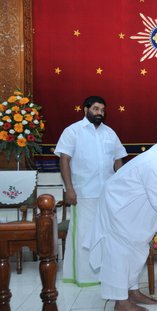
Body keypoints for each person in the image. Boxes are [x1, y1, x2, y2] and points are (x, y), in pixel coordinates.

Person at [88, 127, 157, 311]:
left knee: (138, 249)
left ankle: (132, 291)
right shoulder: (154, 163)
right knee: (120, 252)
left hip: (135, 209)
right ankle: (120, 301)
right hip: (119, 206)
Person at [54, 95, 127, 287]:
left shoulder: (110, 133)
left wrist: (123, 188)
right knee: (84, 235)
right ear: (85, 109)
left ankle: (105, 274)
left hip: (108, 194)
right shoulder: (72, 131)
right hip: (83, 193)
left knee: (106, 234)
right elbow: (64, 160)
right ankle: (84, 277)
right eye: (95, 109)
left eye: (102, 110)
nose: (99, 113)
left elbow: (119, 160)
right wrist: (69, 189)